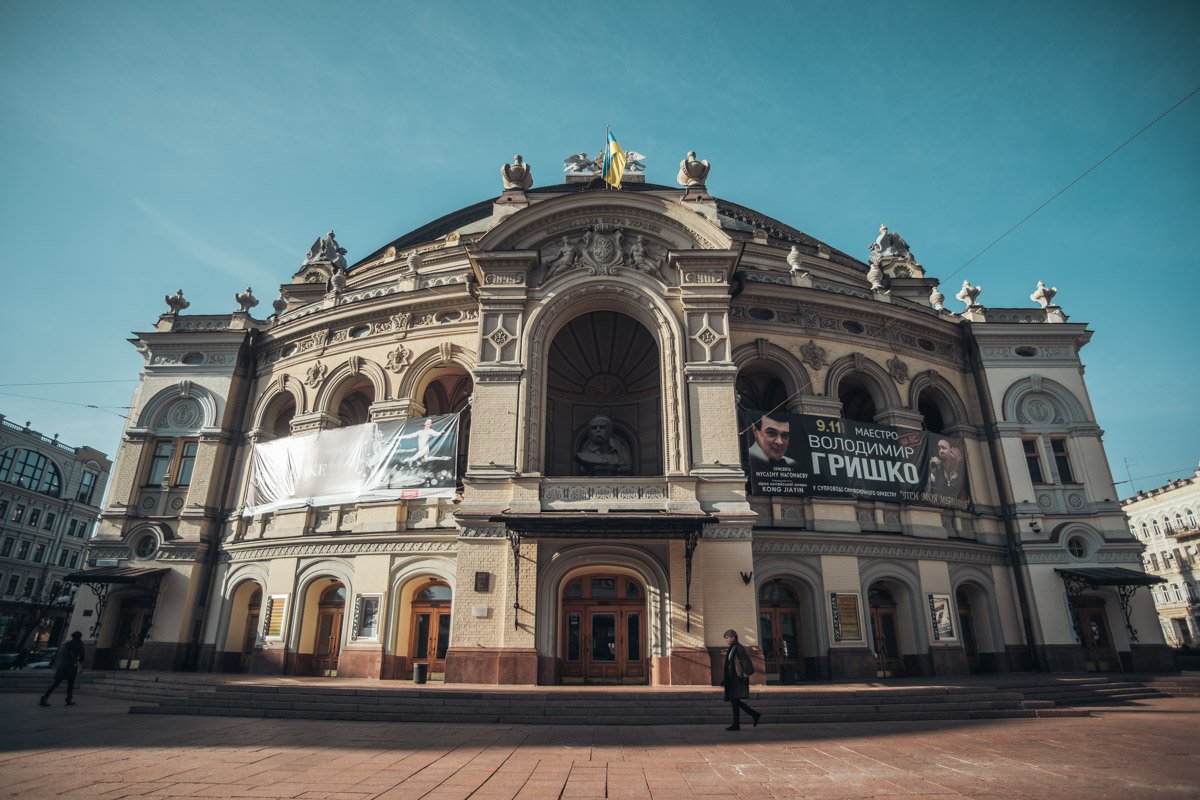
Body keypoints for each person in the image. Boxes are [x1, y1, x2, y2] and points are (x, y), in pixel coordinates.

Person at [720, 629, 761, 730]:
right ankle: (744, 720)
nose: (726, 640)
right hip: (732, 679)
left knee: (735, 700)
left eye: (727, 638)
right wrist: (725, 679)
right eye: (726, 638)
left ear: (733, 637)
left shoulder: (738, 648)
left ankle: (750, 717)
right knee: (735, 701)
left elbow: (746, 662)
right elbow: (729, 665)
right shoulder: (732, 648)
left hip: (738, 679)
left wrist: (745, 676)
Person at [39, 631, 85, 707]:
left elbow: (64, 655)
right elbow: (82, 656)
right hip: (71, 666)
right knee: (70, 684)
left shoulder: (67, 644)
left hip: (63, 665)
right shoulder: (79, 644)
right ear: (80, 637)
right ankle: (68, 700)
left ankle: (45, 697)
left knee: (56, 683)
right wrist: (79, 663)